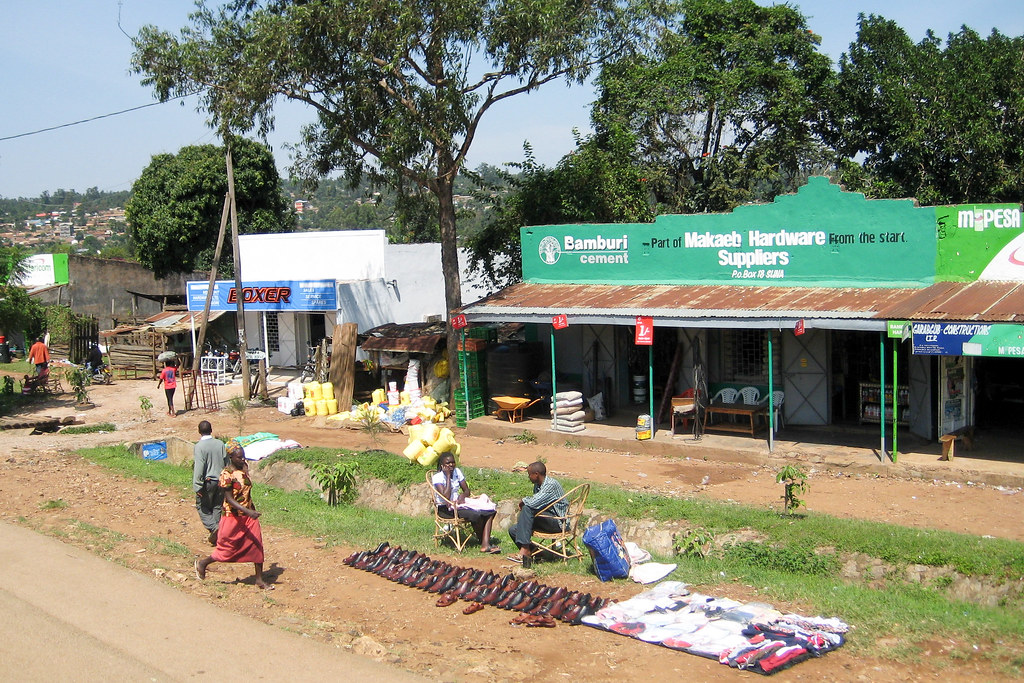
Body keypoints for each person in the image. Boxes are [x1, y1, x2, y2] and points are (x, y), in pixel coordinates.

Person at [195, 442, 270, 589]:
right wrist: (247, 511)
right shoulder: (226, 474)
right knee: (227, 548)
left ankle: (259, 579)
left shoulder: (244, 469)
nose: (242, 459)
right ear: (230, 457)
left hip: (248, 515)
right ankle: (203, 563)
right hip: (232, 516)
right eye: (239, 457)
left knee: (257, 545)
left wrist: (250, 510)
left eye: (243, 457)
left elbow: (247, 491)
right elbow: (229, 499)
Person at [431, 452, 499, 553]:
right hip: (446, 509)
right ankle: (483, 541)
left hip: (459, 504)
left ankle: (485, 543)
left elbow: (467, 490)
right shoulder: (438, 477)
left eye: (453, 462)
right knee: (476, 515)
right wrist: (448, 477)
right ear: (442, 465)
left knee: (490, 511)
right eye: (448, 463)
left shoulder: (457, 472)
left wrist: (463, 496)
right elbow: (445, 497)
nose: (451, 465)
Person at [508, 461, 568, 568]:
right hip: (545, 518)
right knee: (513, 530)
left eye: (529, 474)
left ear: (536, 474)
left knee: (527, 508)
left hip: (557, 522)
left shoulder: (550, 485)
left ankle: (525, 550)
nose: (528, 477)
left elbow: (532, 503)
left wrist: (523, 500)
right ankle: (538, 554)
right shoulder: (538, 485)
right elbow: (537, 505)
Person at [193, 420, 229, 545]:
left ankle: (215, 529)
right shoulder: (220, 444)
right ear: (211, 430)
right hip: (221, 481)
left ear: (199, 431)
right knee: (217, 506)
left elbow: (199, 467)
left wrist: (198, 486)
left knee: (202, 507)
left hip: (208, 482)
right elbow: (227, 462)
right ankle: (219, 536)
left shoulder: (199, 447)